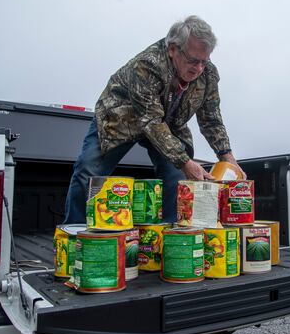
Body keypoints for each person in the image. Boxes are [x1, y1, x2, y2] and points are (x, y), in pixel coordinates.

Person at [63, 15, 245, 224]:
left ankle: (168, 237)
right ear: (173, 49)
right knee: (88, 171)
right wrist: (185, 161)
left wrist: (227, 156)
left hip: (167, 125)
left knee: (178, 180)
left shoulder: (208, 74)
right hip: (120, 120)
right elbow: (150, 121)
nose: (199, 69)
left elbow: (211, 117)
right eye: (193, 61)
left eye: (204, 61)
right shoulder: (147, 65)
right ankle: (73, 233)